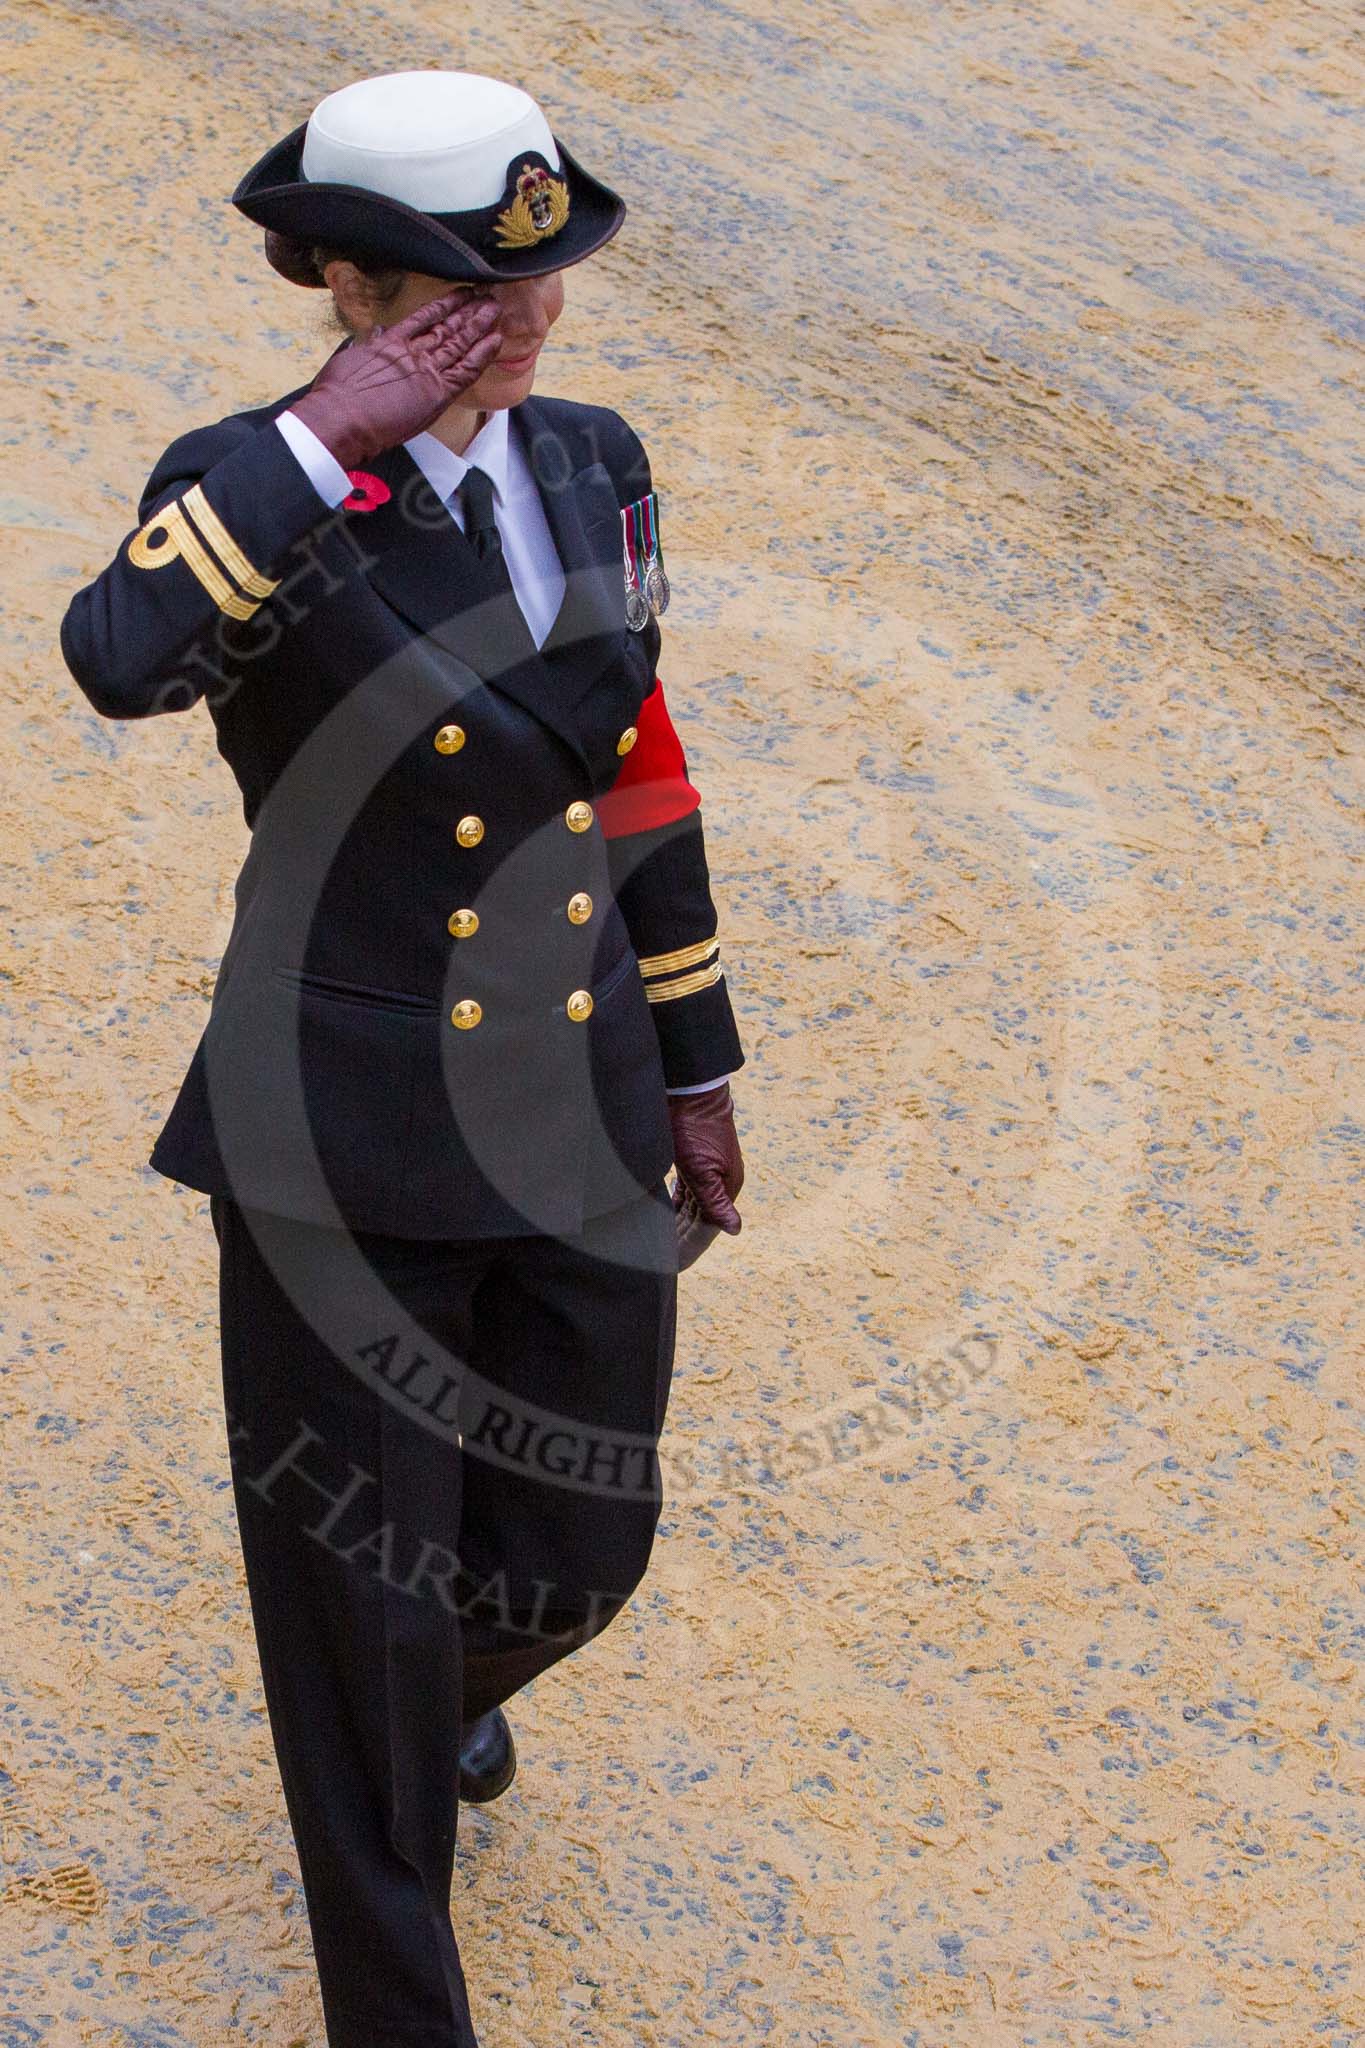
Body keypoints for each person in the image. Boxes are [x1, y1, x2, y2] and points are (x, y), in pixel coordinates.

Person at [59, 69, 746, 2048]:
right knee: (358, 1614)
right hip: (340, 1134)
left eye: (539, 273)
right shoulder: (256, 488)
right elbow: (121, 656)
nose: (518, 319)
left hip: (578, 1106)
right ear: (344, 281)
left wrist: (693, 1058)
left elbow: (636, 770)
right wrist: (316, 438)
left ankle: (406, 1713)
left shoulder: (593, 458)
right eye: (463, 284)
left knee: (578, 1553)